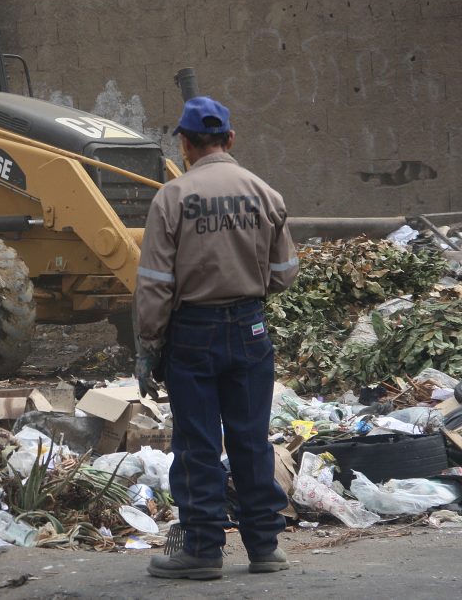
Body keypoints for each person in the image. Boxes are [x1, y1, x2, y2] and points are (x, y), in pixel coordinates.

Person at [134, 96, 298, 580]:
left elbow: (155, 285)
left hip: (193, 334)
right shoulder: (264, 193)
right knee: (251, 440)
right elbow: (285, 273)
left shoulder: (172, 198)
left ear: (184, 144)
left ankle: (203, 550)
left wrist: (149, 348)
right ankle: (264, 548)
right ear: (230, 139)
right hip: (250, 329)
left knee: (198, 443)